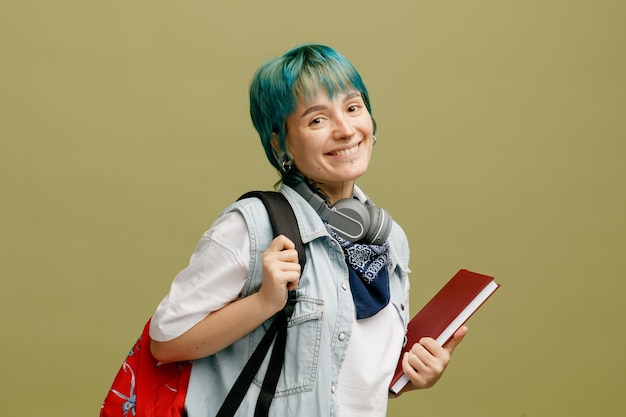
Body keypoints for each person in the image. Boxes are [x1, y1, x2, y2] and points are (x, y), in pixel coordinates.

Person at [148, 43, 467, 417]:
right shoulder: (254, 227)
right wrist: (264, 303)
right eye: (317, 119)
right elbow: (166, 342)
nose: (346, 130)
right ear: (279, 143)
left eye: (353, 108)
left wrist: (410, 374)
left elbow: (343, 372)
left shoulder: (389, 240)